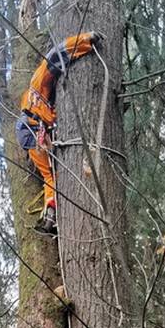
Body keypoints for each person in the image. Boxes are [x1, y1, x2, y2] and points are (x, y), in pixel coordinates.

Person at [15, 32, 99, 235]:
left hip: (33, 130)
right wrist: (87, 40)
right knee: (52, 175)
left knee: (51, 175)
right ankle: (51, 216)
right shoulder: (39, 82)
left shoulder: (51, 103)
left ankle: (50, 214)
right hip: (31, 128)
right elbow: (58, 53)